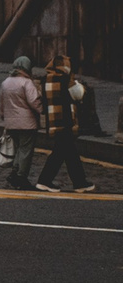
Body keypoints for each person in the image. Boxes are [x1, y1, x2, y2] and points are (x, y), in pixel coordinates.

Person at [37, 52, 96, 193]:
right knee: (62, 153)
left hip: (54, 121)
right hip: (65, 120)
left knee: (68, 153)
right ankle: (45, 181)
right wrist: (74, 81)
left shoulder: (46, 79)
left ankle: (79, 182)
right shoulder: (64, 79)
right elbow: (78, 94)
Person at [0, 55, 43, 191]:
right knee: (25, 151)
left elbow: (1, 102)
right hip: (26, 123)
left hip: (11, 122)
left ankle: (14, 172)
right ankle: (21, 176)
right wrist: (43, 110)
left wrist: (2, 115)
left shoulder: (6, 82)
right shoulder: (26, 82)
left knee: (18, 149)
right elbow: (34, 101)